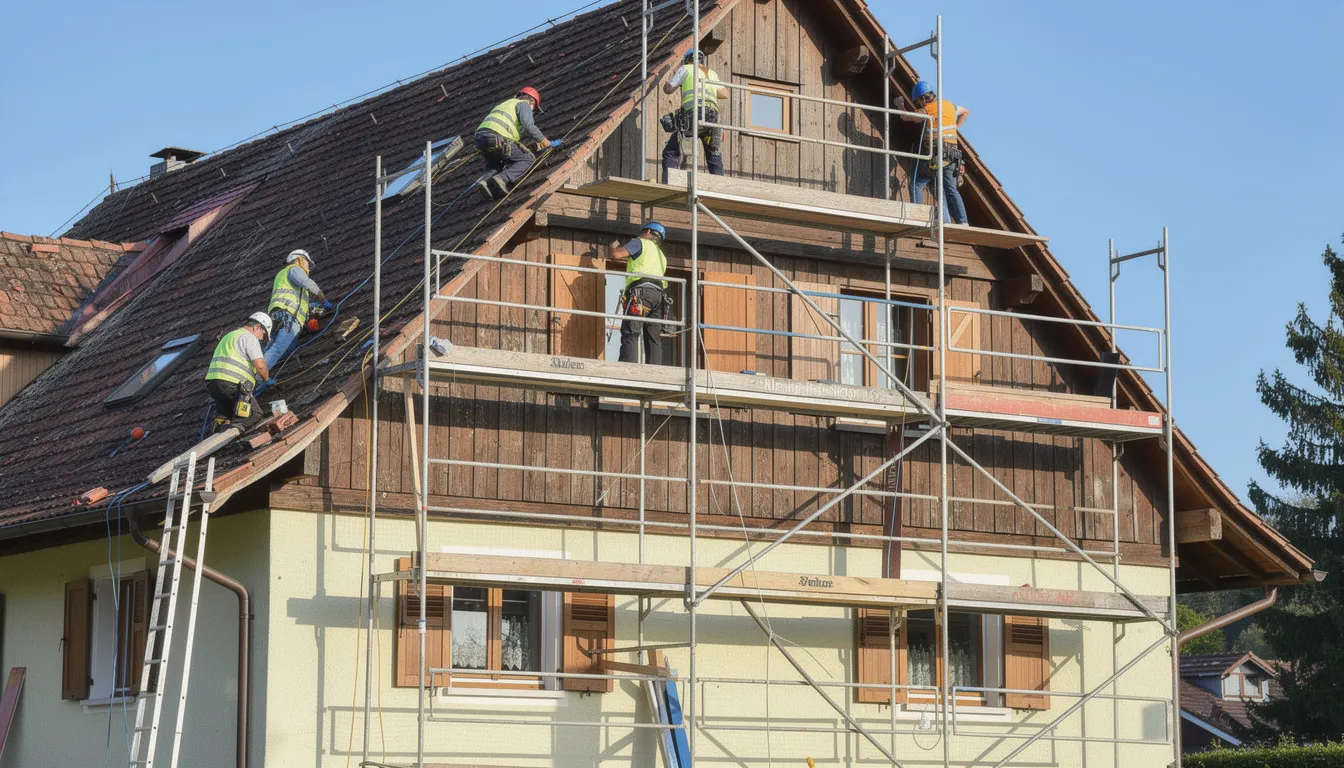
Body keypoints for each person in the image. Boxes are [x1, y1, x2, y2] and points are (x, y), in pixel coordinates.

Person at [473, 87, 561, 199]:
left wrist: (536, 146)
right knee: (527, 158)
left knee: (496, 160)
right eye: (534, 109)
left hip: (481, 139)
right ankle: (502, 178)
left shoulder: (505, 104)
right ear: (532, 101)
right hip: (499, 136)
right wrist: (546, 142)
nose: (533, 111)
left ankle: (485, 181)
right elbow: (529, 126)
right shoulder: (524, 105)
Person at [661, 49, 729, 183]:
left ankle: (669, 182)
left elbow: (668, 89)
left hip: (693, 116)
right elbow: (725, 94)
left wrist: (669, 80)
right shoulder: (711, 73)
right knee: (713, 152)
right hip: (712, 118)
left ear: (687, 60)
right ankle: (719, 185)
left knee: (671, 151)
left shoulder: (685, 69)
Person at [907, 80, 969, 224]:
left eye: (919, 101)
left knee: (917, 182)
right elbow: (966, 111)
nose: (919, 104)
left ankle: (917, 217)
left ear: (923, 98)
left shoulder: (927, 110)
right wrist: (956, 127)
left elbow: (908, 117)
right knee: (949, 189)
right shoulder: (948, 105)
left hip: (936, 155)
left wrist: (900, 106)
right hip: (952, 155)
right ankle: (962, 221)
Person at [609, 221, 669, 365]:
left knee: (631, 331)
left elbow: (616, 255)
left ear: (647, 233)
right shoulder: (662, 256)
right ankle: (654, 371)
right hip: (659, 298)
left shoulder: (640, 242)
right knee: (653, 337)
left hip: (641, 293)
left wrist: (612, 245)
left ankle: (627, 368)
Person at [263, 249, 330, 370]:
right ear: (298, 259)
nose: (309, 267)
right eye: (307, 262)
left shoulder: (282, 275)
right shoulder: (294, 269)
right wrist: (323, 299)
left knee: (273, 348)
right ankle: (256, 379)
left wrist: (311, 306)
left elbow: (296, 299)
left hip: (277, 315)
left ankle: (252, 372)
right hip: (289, 316)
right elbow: (307, 283)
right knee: (278, 348)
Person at [205, 312, 272, 431]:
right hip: (232, 385)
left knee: (225, 414)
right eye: (264, 334)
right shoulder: (249, 337)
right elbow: (260, 365)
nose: (262, 338)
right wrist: (267, 380)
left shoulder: (229, 336)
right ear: (257, 327)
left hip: (213, 385)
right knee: (255, 414)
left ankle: (217, 432)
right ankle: (233, 431)